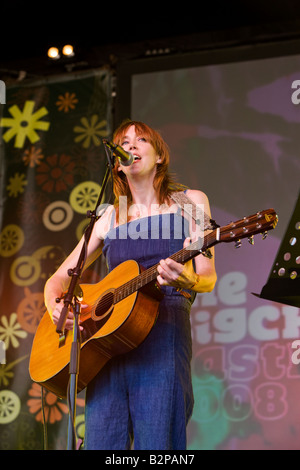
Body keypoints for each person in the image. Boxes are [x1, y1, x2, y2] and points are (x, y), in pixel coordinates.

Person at [44, 120, 217, 450]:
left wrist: (189, 279)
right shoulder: (107, 216)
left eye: (141, 140)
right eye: (124, 141)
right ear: (116, 163)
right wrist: (56, 306)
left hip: (163, 333)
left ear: (160, 156)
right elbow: (58, 279)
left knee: (159, 445)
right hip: (107, 343)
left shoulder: (191, 201)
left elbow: (207, 275)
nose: (131, 145)